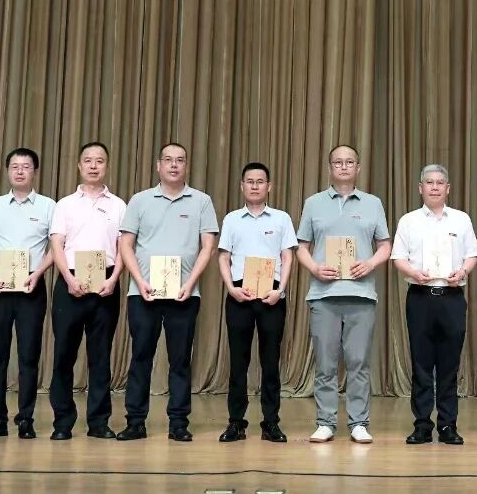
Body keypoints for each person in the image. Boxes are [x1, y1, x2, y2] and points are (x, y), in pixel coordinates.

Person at [117, 142, 219, 442]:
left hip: (184, 294)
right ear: (158, 165)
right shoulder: (140, 200)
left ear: (186, 166)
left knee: (180, 360)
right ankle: (135, 421)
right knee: (140, 357)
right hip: (143, 294)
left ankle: (178, 423)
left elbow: (208, 246)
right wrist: (139, 280)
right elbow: (126, 244)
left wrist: (191, 283)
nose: (174, 165)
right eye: (168, 160)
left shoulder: (201, 201)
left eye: (180, 160)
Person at [296, 144, 392, 444]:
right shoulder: (313, 203)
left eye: (349, 162)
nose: (344, 166)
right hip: (323, 295)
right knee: (325, 362)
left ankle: (359, 422)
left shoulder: (373, 203)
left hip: (361, 294)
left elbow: (385, 246)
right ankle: (325, 421)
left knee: (358, 361)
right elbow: (301, 247)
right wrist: (315, 268)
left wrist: (370, 263)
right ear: (330, 168)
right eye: (338, 162)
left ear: (358, 168)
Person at [391, 164, 477, 445]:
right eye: (429, 182)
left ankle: (448, 425)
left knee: (449, 365)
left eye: (440, 182)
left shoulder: (461, 220)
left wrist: (463, 271)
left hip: (452, 298)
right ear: (420, 188)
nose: (434, 187)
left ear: (447, 188)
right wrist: (412, 272)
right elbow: (398, 257)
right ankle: (421, 425)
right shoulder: (409, 221)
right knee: (420, 363)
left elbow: (472, 255)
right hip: (420, 297)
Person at [0, 147, 55, 440]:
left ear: (35, 171)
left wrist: (38, 272)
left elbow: (56, 247)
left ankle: (26, 419)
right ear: (8, 171)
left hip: (31, 288)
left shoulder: (48, 206)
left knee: (28, 356)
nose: (20, 171)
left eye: (26, 166)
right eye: (15, 166)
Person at [48, 141, 125, 441]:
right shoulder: (65, 204)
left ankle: (99, 422)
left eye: (100, 161)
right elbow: (57, 244)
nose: (94, 166)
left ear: (107, 166)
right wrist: (68, 278)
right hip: (70, 282)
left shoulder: (118, 205)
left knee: (100, 357)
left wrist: (114, 279)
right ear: (79, 165)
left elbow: (123, 247)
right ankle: (62, 422)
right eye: (88, 160)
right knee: (63, 355)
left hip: (106, 284)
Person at [216, 162, 297, 444]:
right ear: (242, 186)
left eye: (260, 181)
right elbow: (223, 257)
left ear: (269, 186)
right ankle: (235, 423)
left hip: (272, 295)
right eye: (249, 181)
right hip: (240, 294)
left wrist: (280, 290)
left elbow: (288, 256)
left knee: (270, 361)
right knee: (238, 362)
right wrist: (231, 288)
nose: (254, 186)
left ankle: (271, 423)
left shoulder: (281, 219)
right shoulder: (232, 219)